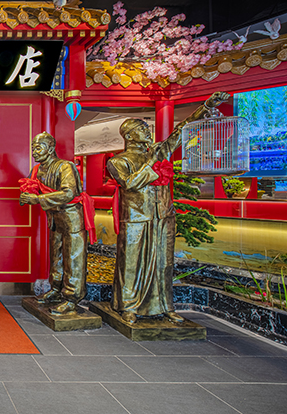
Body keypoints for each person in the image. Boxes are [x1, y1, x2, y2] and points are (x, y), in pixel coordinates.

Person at [107, 92, 229, 324]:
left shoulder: (158, 151)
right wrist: (152, 162)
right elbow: (130, 184)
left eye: (147, 128)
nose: (147, 131)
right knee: (130, 261)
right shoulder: (118, 161)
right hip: (136, 217)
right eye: (142, 129)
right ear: (129, 136)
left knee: (164, 262)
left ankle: (165, 305)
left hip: (163, 214)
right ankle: (128, 305)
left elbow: (179, 132)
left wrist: (205, 107)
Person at [20, 132, 94, 315]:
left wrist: (38, 199)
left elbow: (69, 193)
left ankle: (72, 298)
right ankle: (55, 289)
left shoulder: (64, 166)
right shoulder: (38, 169)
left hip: (71, 218)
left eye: (39, 148)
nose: (34, 152)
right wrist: (27, 195)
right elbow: (32, 186)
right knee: (57, 256)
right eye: (33, 148)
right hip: (55, 218)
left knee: (73, 258)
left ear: (51, 148)